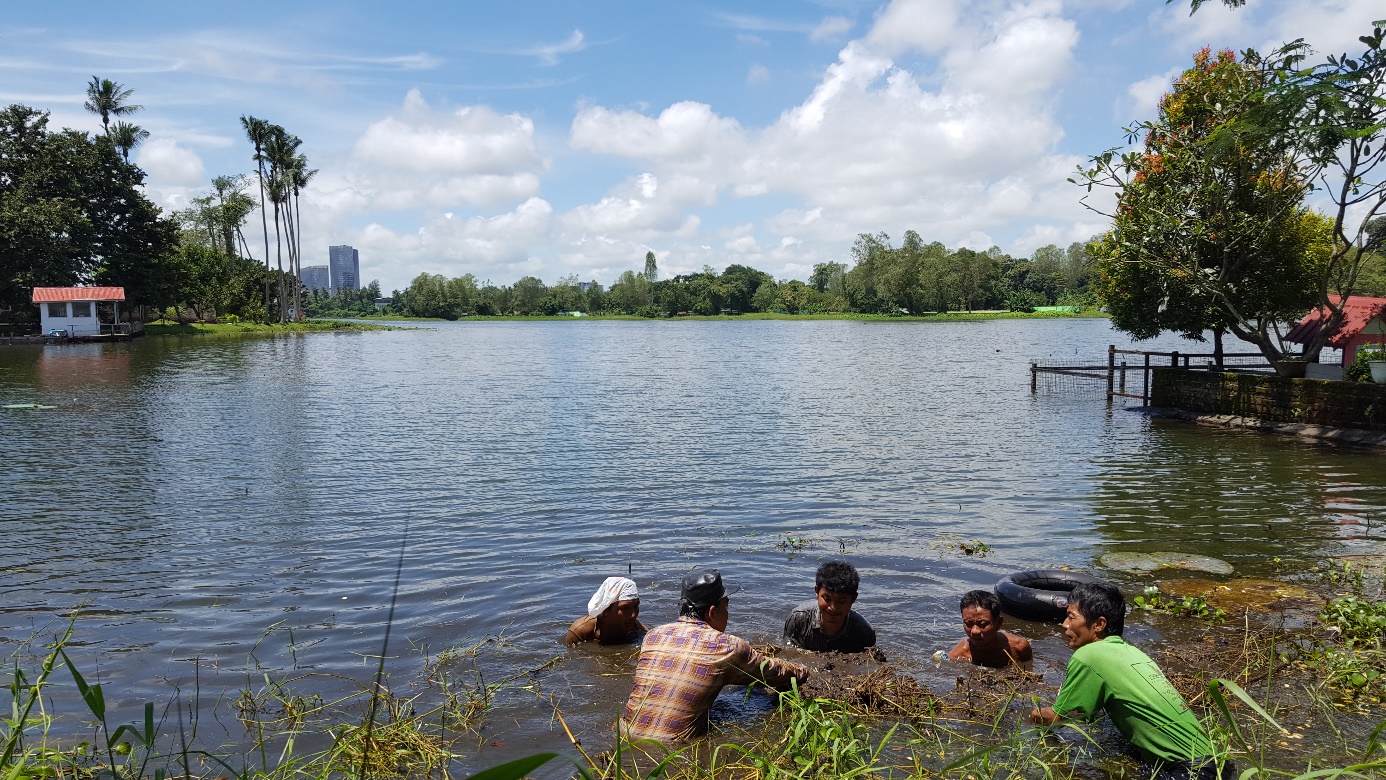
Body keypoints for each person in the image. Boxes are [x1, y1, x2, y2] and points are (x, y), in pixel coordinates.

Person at [1029, 582, 1230, 780]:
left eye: (1071, 617)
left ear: (1099, 624)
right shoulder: (1133, 652)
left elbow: (1059, 719)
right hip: (1219, 764)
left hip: (1190, 773)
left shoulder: (1089, 655)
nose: (1064, 624)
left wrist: (1031, 716)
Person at [621, 569, 809, 745]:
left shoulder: (653, 635)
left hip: (624, 737)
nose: (727, 614)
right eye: (725, 607)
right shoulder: (727, 646)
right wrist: (804, 670)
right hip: (674, 746)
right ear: (712, 611)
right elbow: (774, 671)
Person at [782, 560, 877, 653]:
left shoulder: (864, 632)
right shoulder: (798, 619)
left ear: (853, 599)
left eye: (841, 601)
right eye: (827, 599)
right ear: (817, 592)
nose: (833, 608)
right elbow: (789, 653)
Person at [947, 589, 1032, 670]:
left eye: (982, 624)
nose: (975, 631)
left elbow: (1028, 673)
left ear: (998, 622)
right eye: (968, 624)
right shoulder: (958, 656)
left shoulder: (1019, 647)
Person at [564, 576, 646, 646]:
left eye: (636, 606)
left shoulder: (635, 627)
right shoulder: (580, 631)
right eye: (625, 608)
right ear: (606, 609)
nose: (633, 615)